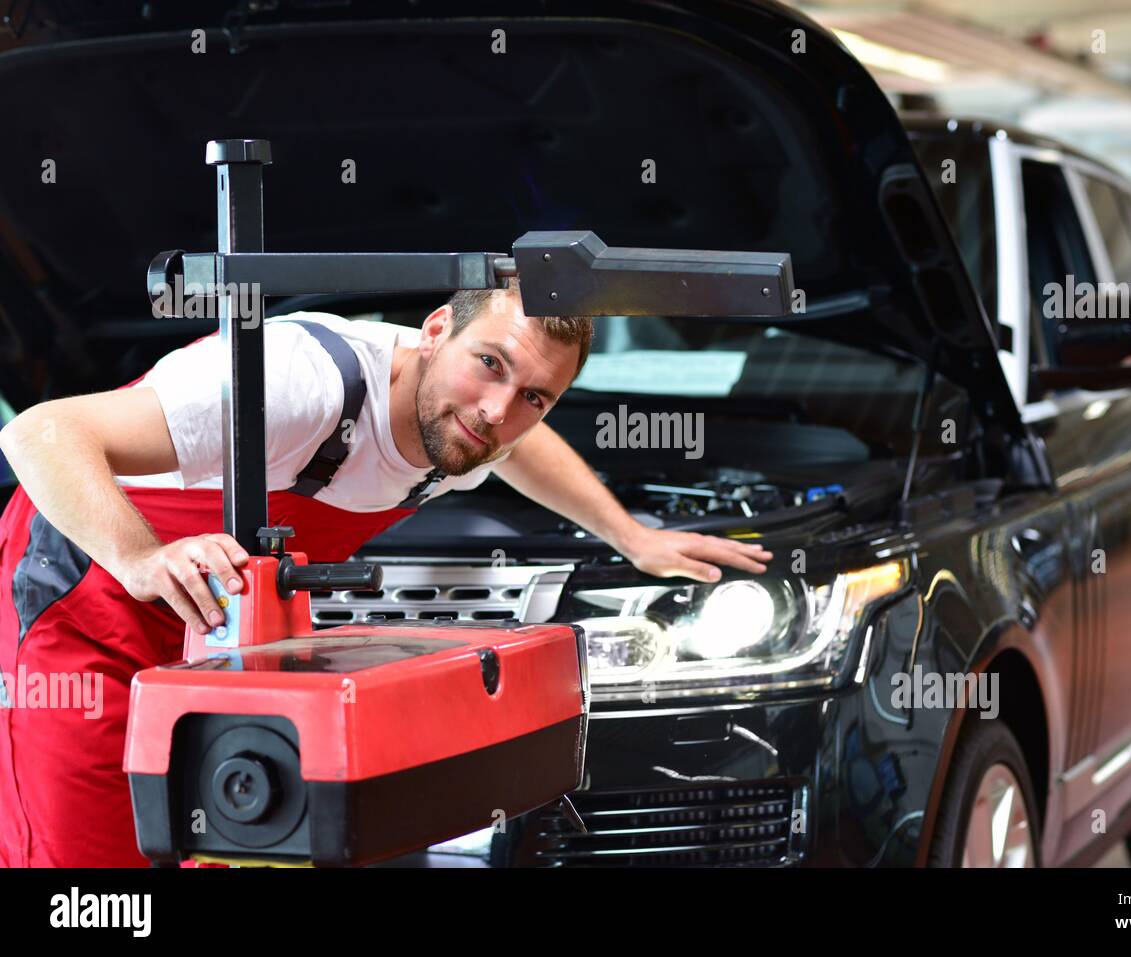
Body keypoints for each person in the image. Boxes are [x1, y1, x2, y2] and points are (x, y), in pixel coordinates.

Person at [0, 281, 771, 866]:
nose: (499, 412)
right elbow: (42, 433)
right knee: (90, 871)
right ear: (435, 330)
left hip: (224, 629)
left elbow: (523, 448)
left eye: (535, 394)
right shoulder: (299, 382)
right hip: (89, 599)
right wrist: (139, 557)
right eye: (490, 365)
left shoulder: (475, 423)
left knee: (238, 838)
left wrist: (631, 535)